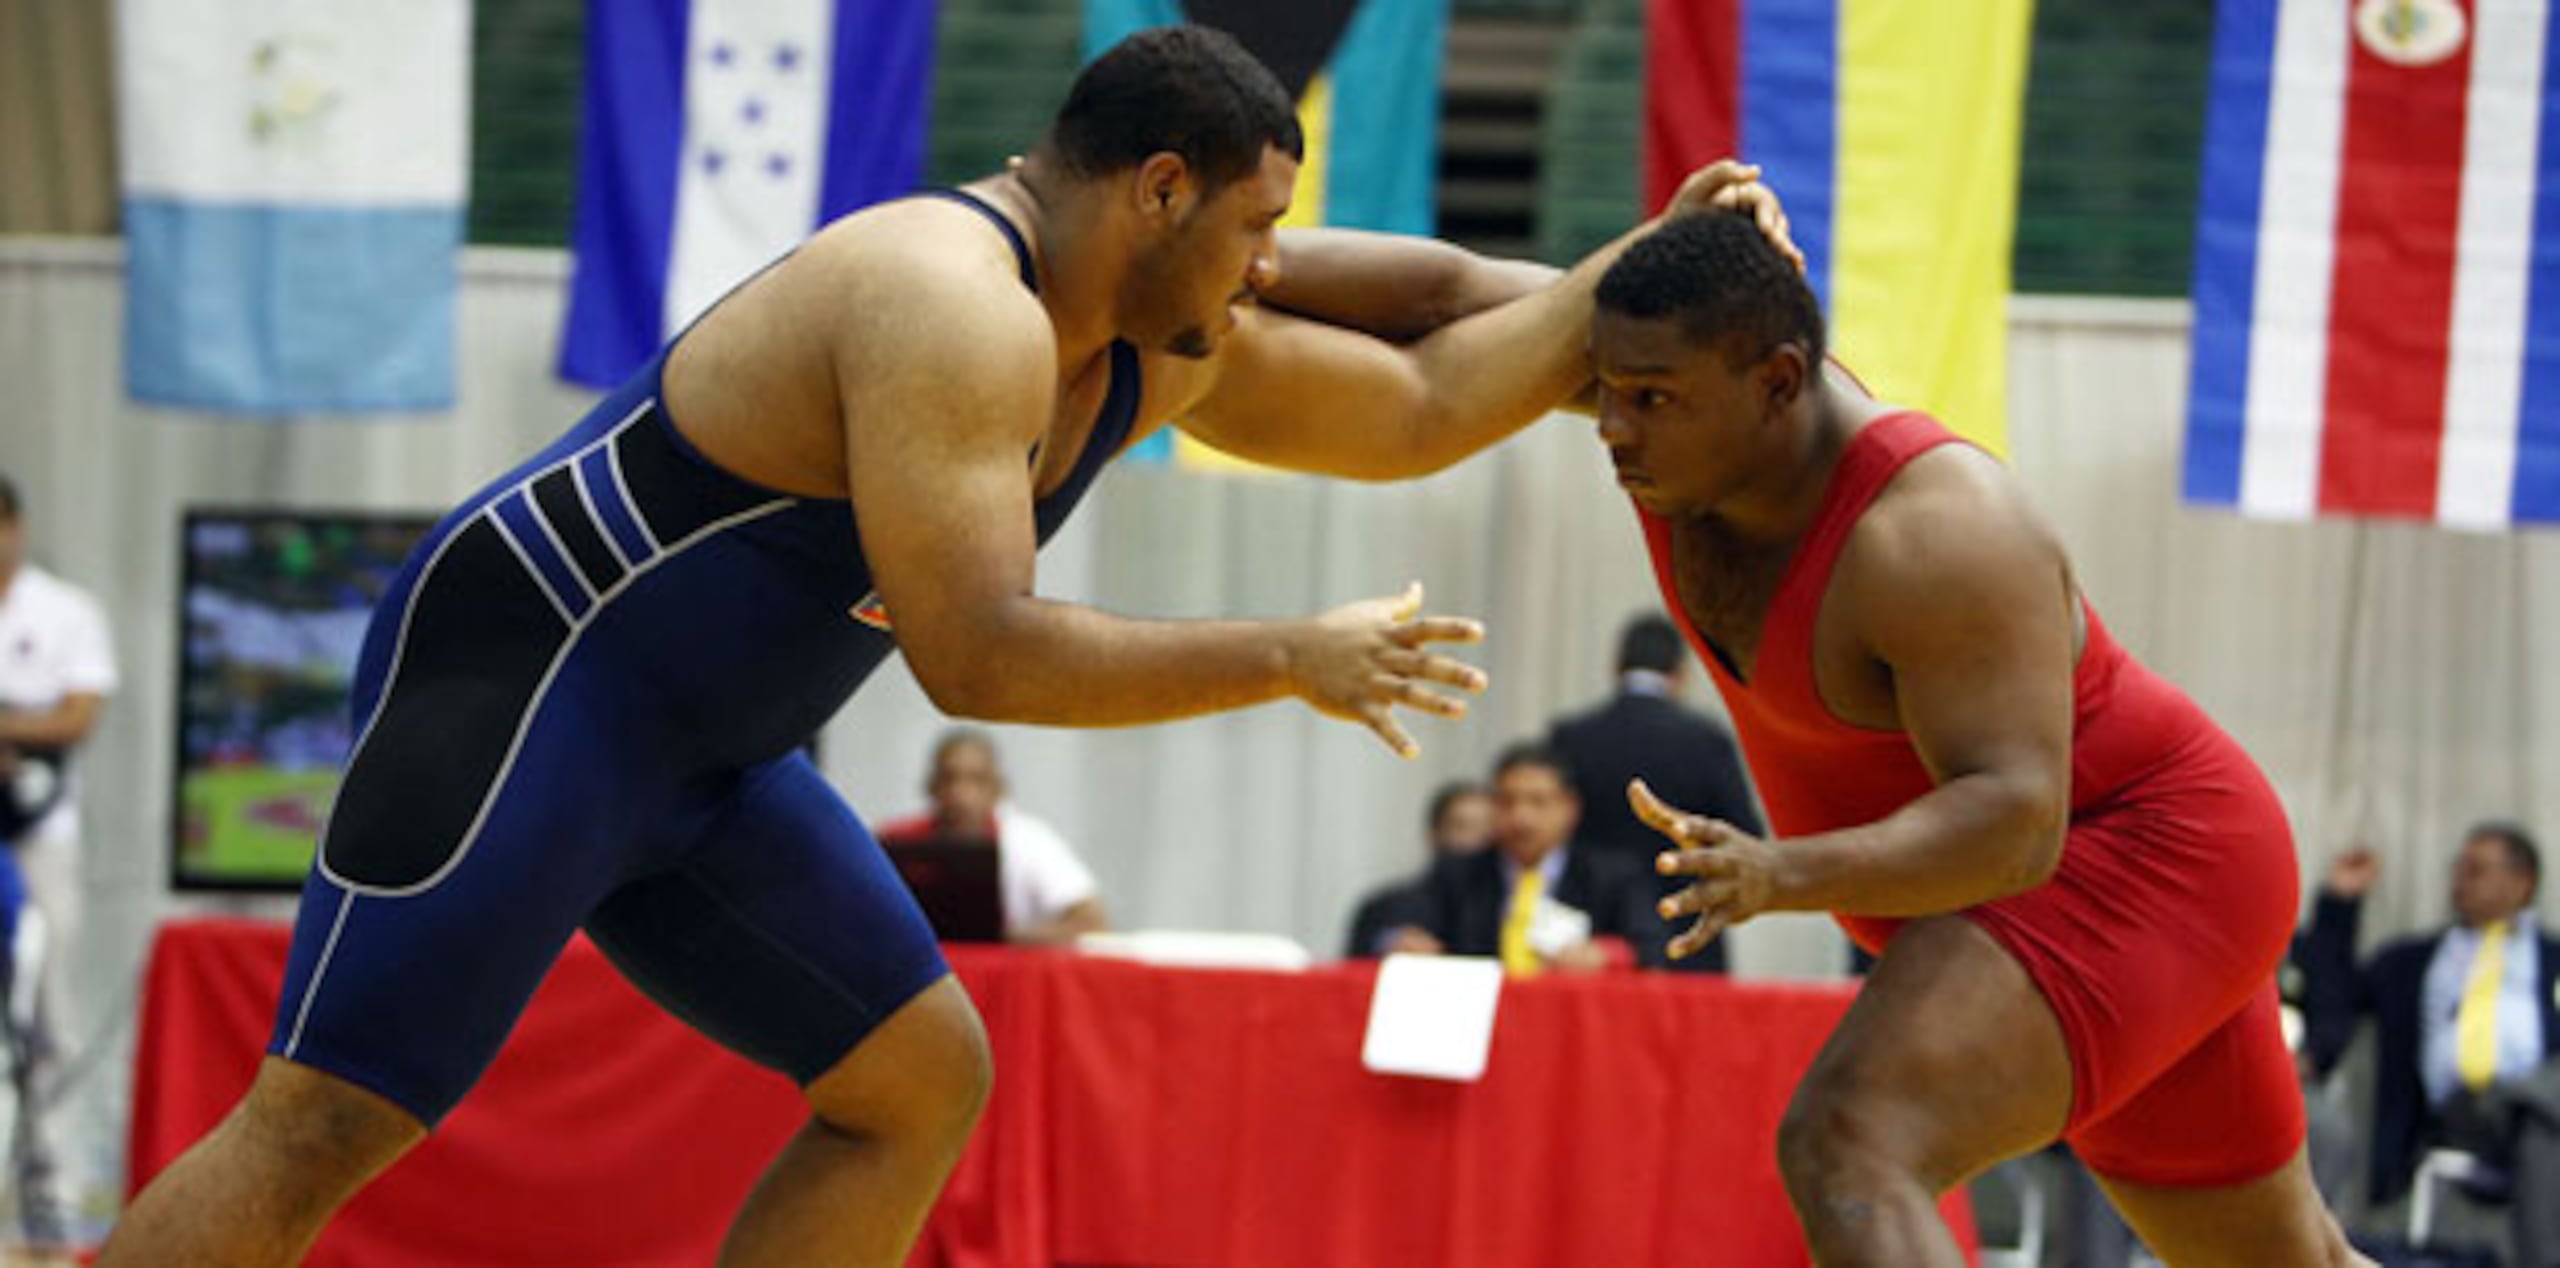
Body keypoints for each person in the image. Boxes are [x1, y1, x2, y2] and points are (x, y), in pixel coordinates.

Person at [101, 27, 1791, 1267]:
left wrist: (1655, 289)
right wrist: (1291, 651)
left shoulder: (1148, 322)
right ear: (1157, 188)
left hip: (704, 758)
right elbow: (977, 657)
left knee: (916, 1081)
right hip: (529, 684)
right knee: (332, 1117)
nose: (1272, 268)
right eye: (1256, 228)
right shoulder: (950, 302)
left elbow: (1424, 366)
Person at [1586, 213, 2364, 1265]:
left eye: (1648, 400)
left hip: (2134, 853)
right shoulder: (1682, 424)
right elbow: (1443, 319)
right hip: (2099, 873)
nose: (1612, 428)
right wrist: (1277, 265)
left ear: (1774, 383)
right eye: (1607, 391)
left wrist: (1783, 870)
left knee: (1852, 1141)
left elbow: (2015, 824)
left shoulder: (1936, 529)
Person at [2301, 828, 2560, 1264]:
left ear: (2523, 882)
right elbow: (2334, 998)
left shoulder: (2552, 961)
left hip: (2538, 1108)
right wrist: (2340, 905)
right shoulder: (2413, 962)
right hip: (2459, 1111)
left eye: (2476, 870)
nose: (2460, 881)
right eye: (2457, 869)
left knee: (2540, 1113)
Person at [0, 470, 113, 1258]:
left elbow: (78, 714)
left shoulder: (64, 611)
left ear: (17, 527)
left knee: (48, 1011)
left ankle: (54, 1187)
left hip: (39, 832)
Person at [1549, 610, 1757, 972]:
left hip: (1593, 937)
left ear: (1616, 665)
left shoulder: (1571, 737)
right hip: (1687, 927)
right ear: (1681, 672)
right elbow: (1747, 837)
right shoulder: (1705, 740)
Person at [1403, 743, 1668, 972]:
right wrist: (1406, 942)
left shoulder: (1611, 876)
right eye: (1507, 802)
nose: (1521, 818)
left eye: (1538, 802)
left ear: (1570, 808)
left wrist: (1606, 955)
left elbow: (1652, 948)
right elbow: (1406, 928)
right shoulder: (1458, 874)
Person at [875, 728, 1107, 946]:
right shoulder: (895, 840)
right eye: (949, 778)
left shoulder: (1029, 841)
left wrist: (1003, 936)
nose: (960, 793)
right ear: (931, 785)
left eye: (976, 780)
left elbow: (1091, 921)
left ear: (998, 788)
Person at [1343, 779, 1491, 958]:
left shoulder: (1509, 904)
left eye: (1488, 828)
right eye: (1463, 827)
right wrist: (1391, 943)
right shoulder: (1390, 907)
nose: (1478, 838)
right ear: (1434, 834)